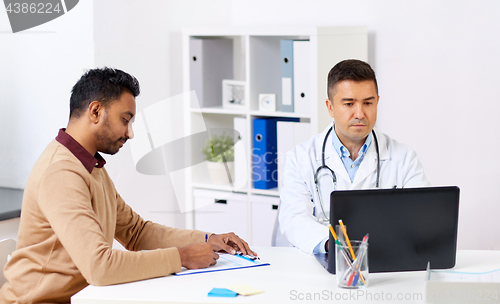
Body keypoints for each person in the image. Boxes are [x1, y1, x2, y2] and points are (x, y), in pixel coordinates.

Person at [0, 68, 255, 303]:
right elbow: (99, 266)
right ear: (96, 111)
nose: (130, 133)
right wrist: (182, 257)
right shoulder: (61, 172)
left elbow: (136, 232)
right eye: (125, 119)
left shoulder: (90, 167)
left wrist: (210, 239)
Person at [278, 59, 430, 254]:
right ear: (330, 107)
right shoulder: (300, 158)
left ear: (377, 102)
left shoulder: (404, 158)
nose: (360, 113)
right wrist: (333, 246)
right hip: (324, 261)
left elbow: (421, 218)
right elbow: (293, 219)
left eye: (368, 103)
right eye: (349, 103)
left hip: (386, 260)